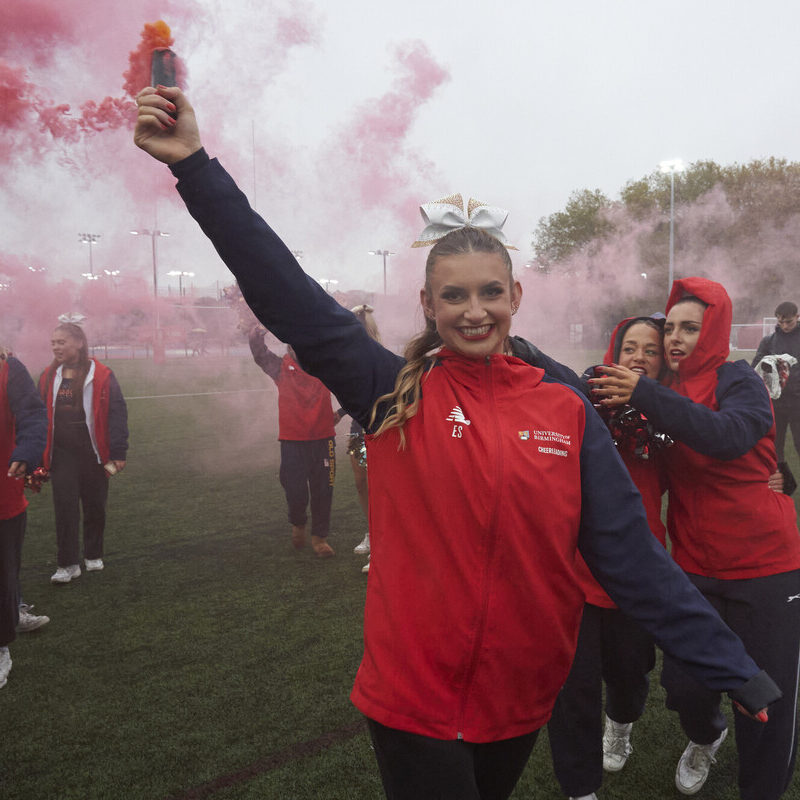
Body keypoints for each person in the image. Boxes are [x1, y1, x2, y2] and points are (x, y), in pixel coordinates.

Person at [134, 87, 781, 800]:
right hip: (412, 697)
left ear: (515, 297)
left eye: (490, 293)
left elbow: (632, 558)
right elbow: (285, 292)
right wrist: (195, 166)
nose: (475, 312)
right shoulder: (391, 390)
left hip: (519, 696)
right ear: (427, 304)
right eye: (454, 296)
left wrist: (731, 665)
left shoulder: (564, 409)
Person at [592, 278, 800, 800]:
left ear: (717, 331)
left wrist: (645, 392)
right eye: (673, 329)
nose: (676, 339)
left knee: (768, 705)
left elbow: (729, 436)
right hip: (694, 567)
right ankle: (706, 736)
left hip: (767, 567)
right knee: (685, 688)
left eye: (691, 327)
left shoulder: (738, 378)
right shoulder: (659, 391)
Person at [547, 315, 668, 800]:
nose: (638, 357)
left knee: (628, 672)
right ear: (613, 355)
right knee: (571, 688)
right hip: (575, 572)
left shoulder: (675, 416)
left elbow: (720, 459)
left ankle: (620, 724)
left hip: (636, 573)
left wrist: (775, 473)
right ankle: (580, 789)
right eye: (629, 348)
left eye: (650, 350)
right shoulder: (580, 404)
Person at [39, 323, 129, 583]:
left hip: (92, 450)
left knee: (94, 505)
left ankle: (93, 553)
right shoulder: (49, 375)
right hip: (62, 452)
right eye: (53, 342)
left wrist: (118, 451)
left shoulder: (102, 374)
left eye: (61, 342)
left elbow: (117, 413)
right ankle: (67, 564)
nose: (56, 347)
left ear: (78, 343)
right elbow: (40, 416)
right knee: (64, 507)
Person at [247, 323, 342, 557]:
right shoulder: (280, 367)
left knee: (323, 490)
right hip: (292, 441)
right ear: (290, 346)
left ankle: (319, 537)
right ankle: (298, 521)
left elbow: (352, 384)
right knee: (294, 488)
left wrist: (340, 414)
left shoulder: (325, 367)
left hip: (323, 440)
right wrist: (258, 330)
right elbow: (259, 354)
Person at [0, 351, 47, 687]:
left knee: (3, 574)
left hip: (3, 495)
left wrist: (27, 451)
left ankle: (1, 646)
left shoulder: (8, 368)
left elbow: (32, 414)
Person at [348, 305, 380, 572]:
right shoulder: (347, 358)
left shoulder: (381, 357)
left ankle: (382, 544)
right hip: (357, 428)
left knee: (379, 486)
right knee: (361, 484)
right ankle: (371, 532)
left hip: (379, 428)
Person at [752, 301, 800, 462]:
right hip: (775, 404)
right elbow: (755, 369)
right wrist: (769, 364)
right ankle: (781, 484)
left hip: (798, 403)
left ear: (797, 317)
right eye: (781, 322)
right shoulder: (768, 341)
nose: (785, 326)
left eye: (789, 322)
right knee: (774, 448)